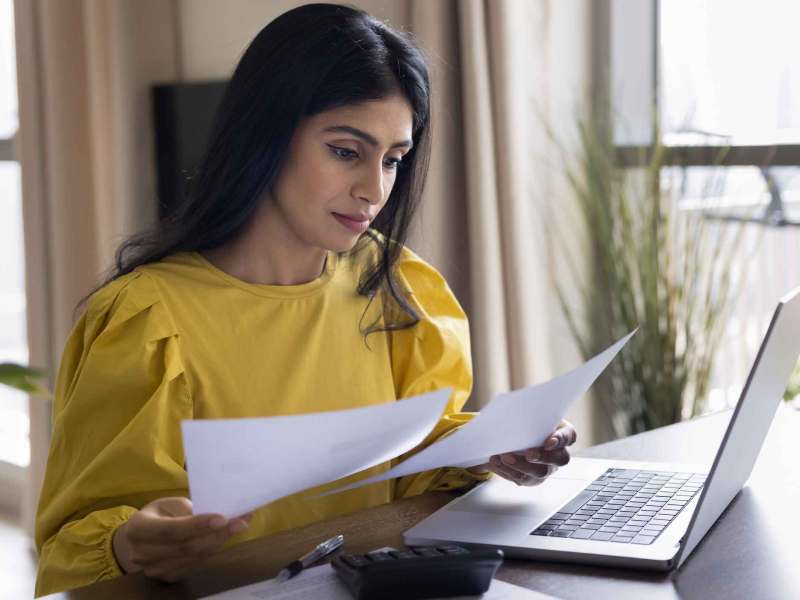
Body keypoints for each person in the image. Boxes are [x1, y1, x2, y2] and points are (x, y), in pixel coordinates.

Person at [34, 3, 577, 596]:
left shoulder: (395, 285)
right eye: (346, 151)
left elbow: (414, 465)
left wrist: (492, 449)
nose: (374, 190)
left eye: (393, 160)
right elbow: (76, 543)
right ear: (265, 134)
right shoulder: (149, 320)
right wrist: (128, 540)